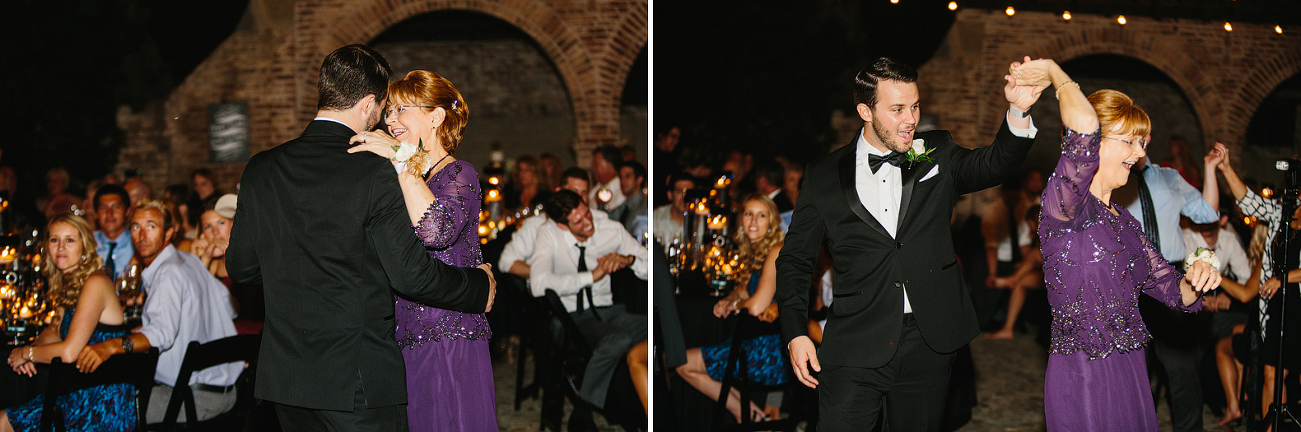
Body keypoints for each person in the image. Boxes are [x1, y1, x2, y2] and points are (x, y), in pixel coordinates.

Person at [226, 44, 495, 431]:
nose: (387, 120)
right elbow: (411, 276)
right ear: (369, 103)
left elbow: (242, 267)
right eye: (386, 108)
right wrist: (477, 287)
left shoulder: (261, 168)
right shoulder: (376, 170)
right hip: (356, 379)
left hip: (285, 378)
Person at [774, 56, 1042, 431]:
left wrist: (1018, 110)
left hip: (927, 341)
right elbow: (795, 261)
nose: (910, 119)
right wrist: (796, 332)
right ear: (865, 110)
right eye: (897, 109)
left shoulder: (936, 150)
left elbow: (993, 164)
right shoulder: (822, 176)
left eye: (914, 106)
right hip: (854, 341)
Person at [1012, 58, 1219, 430]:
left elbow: (1175, 293)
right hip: (1083, 373)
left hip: (1131, 369)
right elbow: (1084, 125)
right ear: (1096, 146)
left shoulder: (1125, 222)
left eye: (1142, 143)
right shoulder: (1065, 207)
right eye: (1131, 142)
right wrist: (1053, 72)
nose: (1140, 154)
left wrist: (1200, 275)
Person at [345, 69, 497, 431]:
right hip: (406, 336)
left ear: (436, 116)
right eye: (389, 111)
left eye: (402, 109)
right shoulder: (406, 178)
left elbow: (435, 231)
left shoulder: (459, 173)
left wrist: (400, 159)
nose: (391, 120)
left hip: (450, 336)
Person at [75, 200, 242, 424]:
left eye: (151, 226)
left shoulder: (168, 272)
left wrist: (109, 347)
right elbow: (227, 306)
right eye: (135, 227)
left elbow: (162, 334)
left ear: (168, 233)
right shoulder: (188, 260)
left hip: (194, 398)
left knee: (100, 410)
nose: (142, 235)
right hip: (228, 390)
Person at [1, 214, 133, 432]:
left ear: (85, 247)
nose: (61, 247)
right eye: (54, 240)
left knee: (3, 421)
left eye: (69, 240)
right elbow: (54, 331)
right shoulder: (70, 284)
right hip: (80, 393)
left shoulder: (96, 282)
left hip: (102, 404)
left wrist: (26, 353)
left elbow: (70, 352)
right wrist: (33, 349)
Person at [530, 190, 647, 424]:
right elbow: (538, 284)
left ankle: (642, 405)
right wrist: (590, 276)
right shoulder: (549, 234)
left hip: (609, 310)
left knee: (656, 327)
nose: (587, 223)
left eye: (587, 214)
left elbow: (650, 264)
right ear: (563, 226)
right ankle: (583, 412)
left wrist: (629, 260)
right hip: (573, 317)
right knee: (618, 340)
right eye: (578, 221)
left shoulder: (610, 230)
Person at [677, 195, 789, 422]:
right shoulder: (759, 252)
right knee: (683, 363)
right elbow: (745, 287)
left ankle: (748, 415)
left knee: (682, 363)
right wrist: (729, 299)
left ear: (772, 223)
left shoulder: (777, 249)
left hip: (773, 352)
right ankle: (752, 416)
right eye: (748, 214)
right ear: (741, 220)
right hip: (759, 344)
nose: (754, 221)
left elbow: (757, 306)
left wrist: (734, 305)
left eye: (761, 215)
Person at [1214, 143, 1301, 421]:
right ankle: (1269, 427)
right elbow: (1251, 202)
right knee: (1271, 373)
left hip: (1297, 302)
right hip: (1278, 307)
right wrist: (1226, 168)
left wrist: (1283, 278)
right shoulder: (1284, 211)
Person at [1191, 210, 1260, 426]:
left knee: (1229, 336)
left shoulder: (1231, 241)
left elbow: (1246, 288)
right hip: (1191, 305)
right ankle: (1234, 401)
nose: (1205, 222)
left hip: (1250, 320)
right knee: (1225, 335)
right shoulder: (1185, 237)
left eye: (1211, 217)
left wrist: (1225, 291)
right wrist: (1201, 300)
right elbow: (1174, 281)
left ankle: (1235, 402)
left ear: (1222, 220)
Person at [498, 168, 604, 278]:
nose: (579, 198)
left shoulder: (597, 221)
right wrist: (545, 274)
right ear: (558, 191)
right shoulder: (536, 225)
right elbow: (507, 262)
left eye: (584, 193)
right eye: (574, 192)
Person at [986, 204, 1046, 340]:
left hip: (1067, 278)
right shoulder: (1037, 237)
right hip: (1048, 275)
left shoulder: (1056, 236)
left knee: (1034, 254)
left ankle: (1011, 279)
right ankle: (1008, 329)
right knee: (1022, 282)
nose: (1029, 228)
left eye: (1030, 224)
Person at [92, 184, 133, 281]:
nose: (109, 213)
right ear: (95, 214)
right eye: (104, 207)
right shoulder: (87, 244)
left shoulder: (137, 244)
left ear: (127, 211)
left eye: (116, 207)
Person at [652, 173, 695, 247]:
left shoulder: (704, 221)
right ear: (670, 195)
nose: (684, 198)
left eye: (689, 193)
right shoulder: (655, 217)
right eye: (679, 192)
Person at [608, 160, 648, 237]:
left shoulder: (643, 207)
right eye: (621, 177)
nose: (623, 181)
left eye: (628, 176)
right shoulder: (626, 203)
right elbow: (610, 219)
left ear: (639, 179)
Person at [589, 145, 626, 212]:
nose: (592, 167)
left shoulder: (622, 191)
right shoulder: (596, 188)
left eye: (596, 164)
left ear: (610, 166)